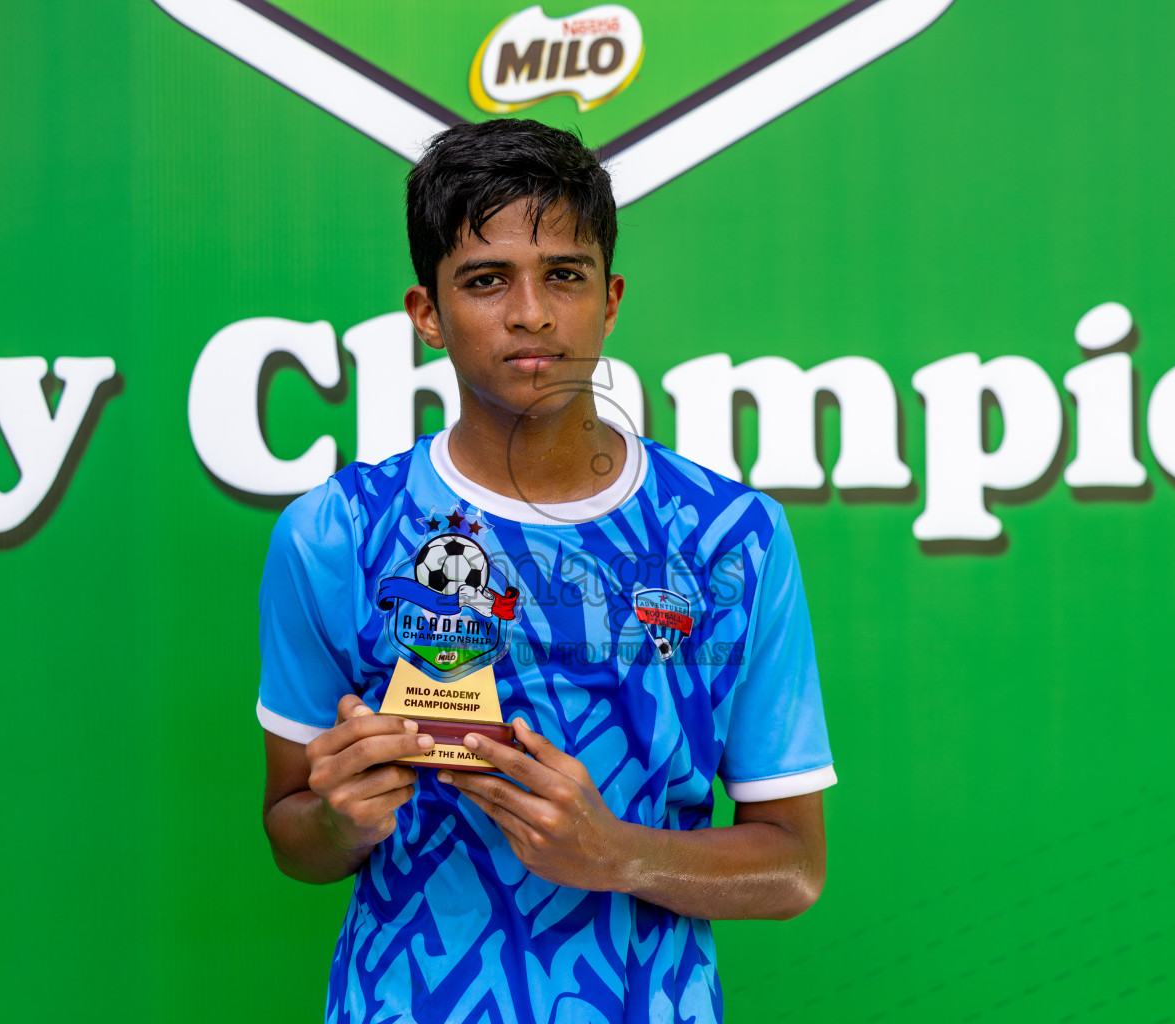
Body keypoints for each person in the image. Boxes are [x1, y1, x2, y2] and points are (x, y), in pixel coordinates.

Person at [256, 118, 835, 1023]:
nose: (531, 312)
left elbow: (794, 866)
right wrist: (342, 819)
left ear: (609, 298)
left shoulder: (732, 537)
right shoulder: (334, 534)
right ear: (427, 316)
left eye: (563, 274)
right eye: (487, 281)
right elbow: (293, 831)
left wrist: (618, 853)